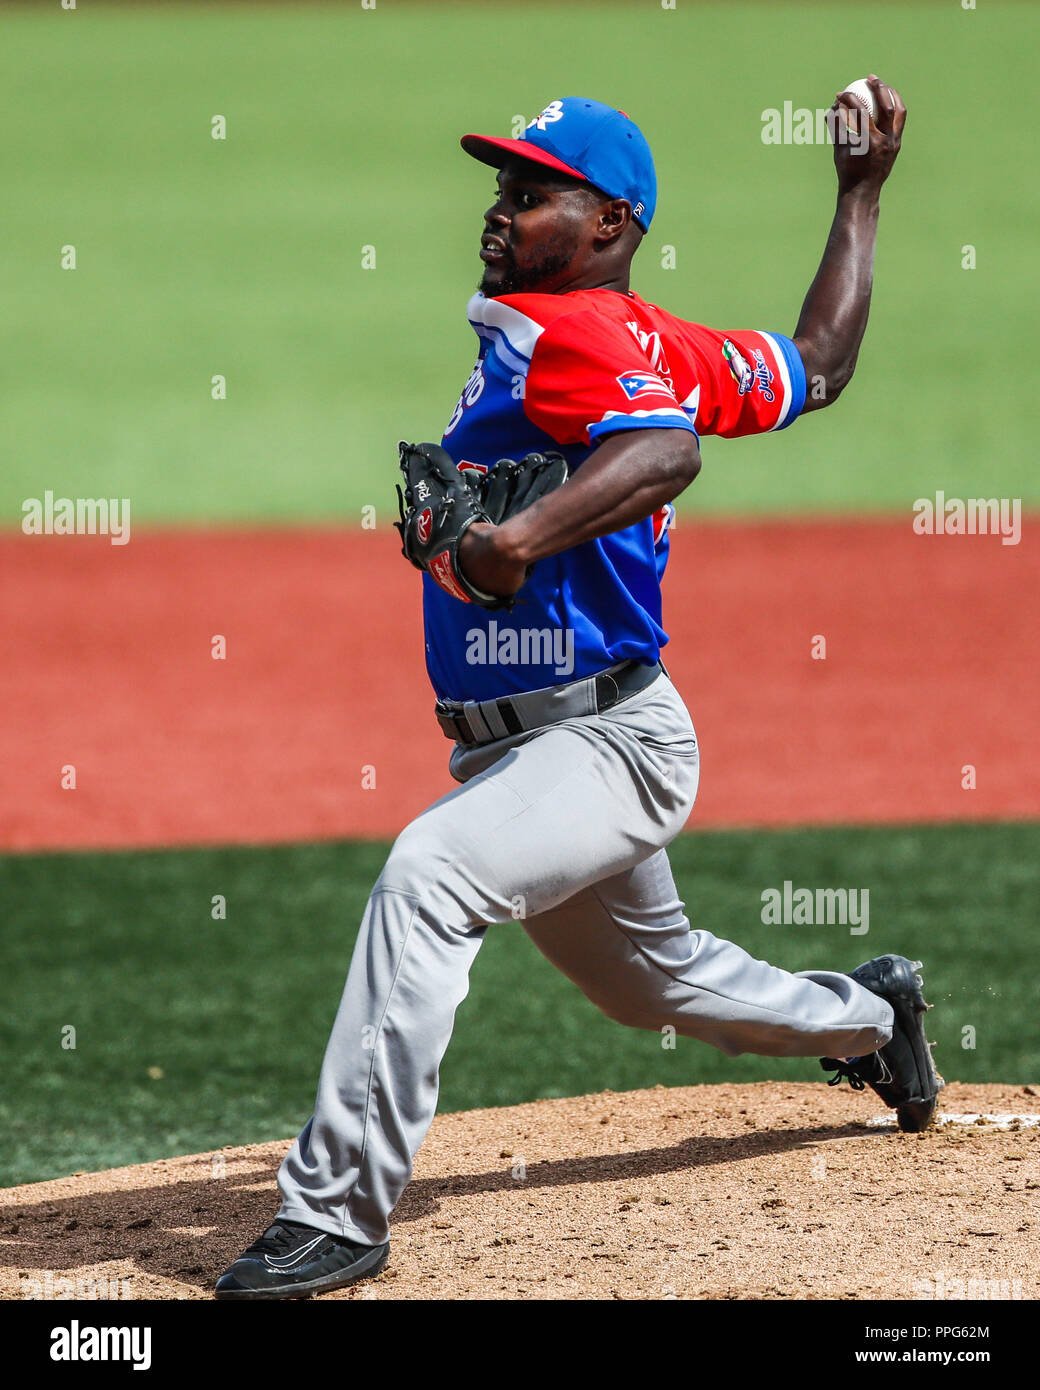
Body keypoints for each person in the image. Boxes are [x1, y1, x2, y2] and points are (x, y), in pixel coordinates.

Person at [216, 83, 938, 1302]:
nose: (500, 209)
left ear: (608, 223)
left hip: (604, 742)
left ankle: (336, 1212)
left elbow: (665, 454)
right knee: (658, 981)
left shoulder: (581, 341)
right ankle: (870, 1013)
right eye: (499, 186)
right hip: (541, 751)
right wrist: (857, 197)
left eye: (530, 193)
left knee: (427, 878)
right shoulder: (643, 340)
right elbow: (813, 364)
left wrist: (514, 541)